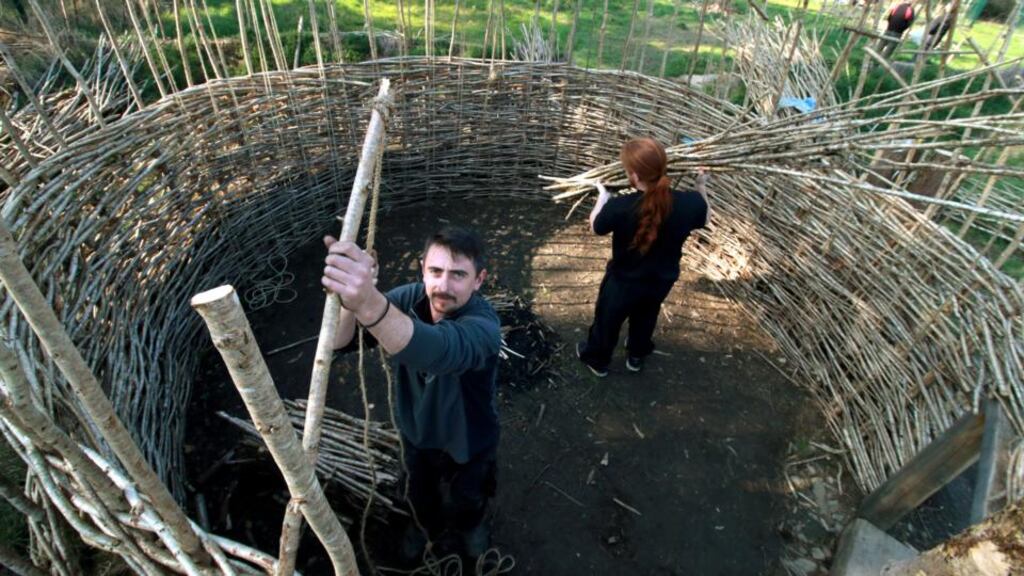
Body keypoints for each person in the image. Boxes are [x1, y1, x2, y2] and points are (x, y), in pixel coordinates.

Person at [321, 227, 501, 564]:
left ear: (479, 280)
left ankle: (471, 526)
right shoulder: (408, 299)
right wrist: (351, 301)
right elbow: (340, 342)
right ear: (422, 269)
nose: (443, 286)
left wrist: (369, 302)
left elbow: (436, 350)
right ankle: (426, 527)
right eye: (435, 271)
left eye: (458, 275)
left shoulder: (484, 326)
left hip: (470, 436)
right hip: (417, 431)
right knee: (420, 492)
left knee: (469, 494)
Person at [576, 137, 711, 377]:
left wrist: (602, 197)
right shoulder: (689, 203)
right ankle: (636, 356)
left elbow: (596, 227)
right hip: (661, 280)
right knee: (647, 315)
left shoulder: (620, 206)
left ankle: (598, 359)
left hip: (623, 282)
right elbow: (705, 217)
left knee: (608, 318)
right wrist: (701, 186)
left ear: (634, 176)